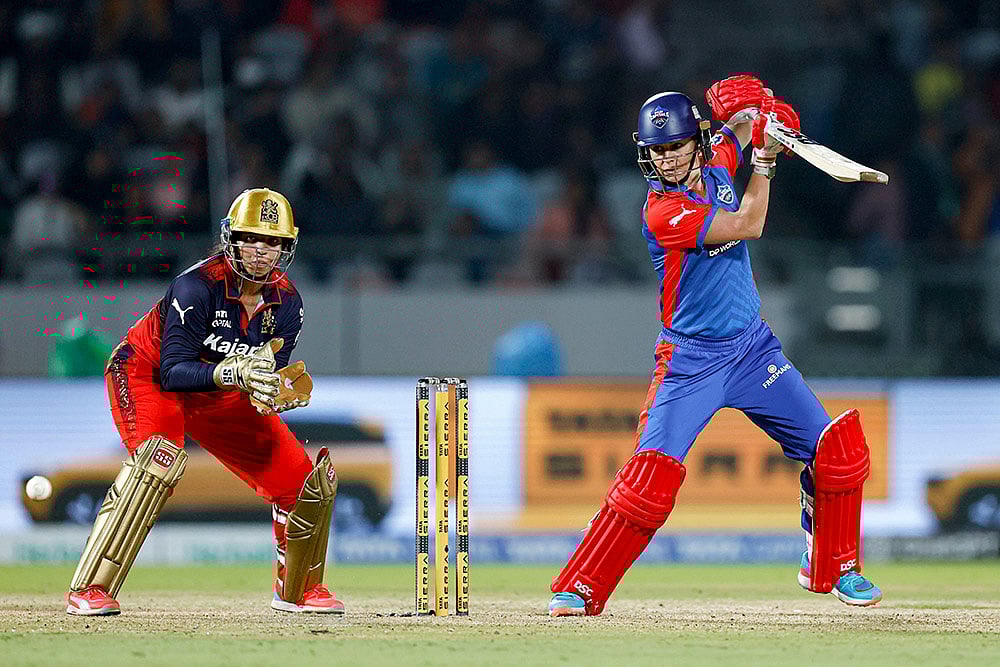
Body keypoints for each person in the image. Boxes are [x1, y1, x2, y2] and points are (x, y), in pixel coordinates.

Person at [547, 76, 883, 617]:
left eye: (676, 147)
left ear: (696, 141)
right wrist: (767, 161)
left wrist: (770, 119)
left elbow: (743, 123)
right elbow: (749, 223)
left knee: (835, 452)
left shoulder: (720, 153)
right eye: (656, 151)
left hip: (753, 352)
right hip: (690, 363)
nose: (668, 160)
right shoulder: (662, 210)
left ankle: (835, 564)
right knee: (649, 480)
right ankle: (579, 585)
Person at [65, 188, 343, 616]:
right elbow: (174, 371)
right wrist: (236, 373)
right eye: (251, 238)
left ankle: (299, 590)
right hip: (148, 373)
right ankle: (91, 588)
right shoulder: (196, 286)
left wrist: (276, 390)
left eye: (272, 241)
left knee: (305, 484)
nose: (260, 251)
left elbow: (266, 375)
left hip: (219, 393)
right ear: (231, 238)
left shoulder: (288, 305)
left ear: (286, 248)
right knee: (157, 461)